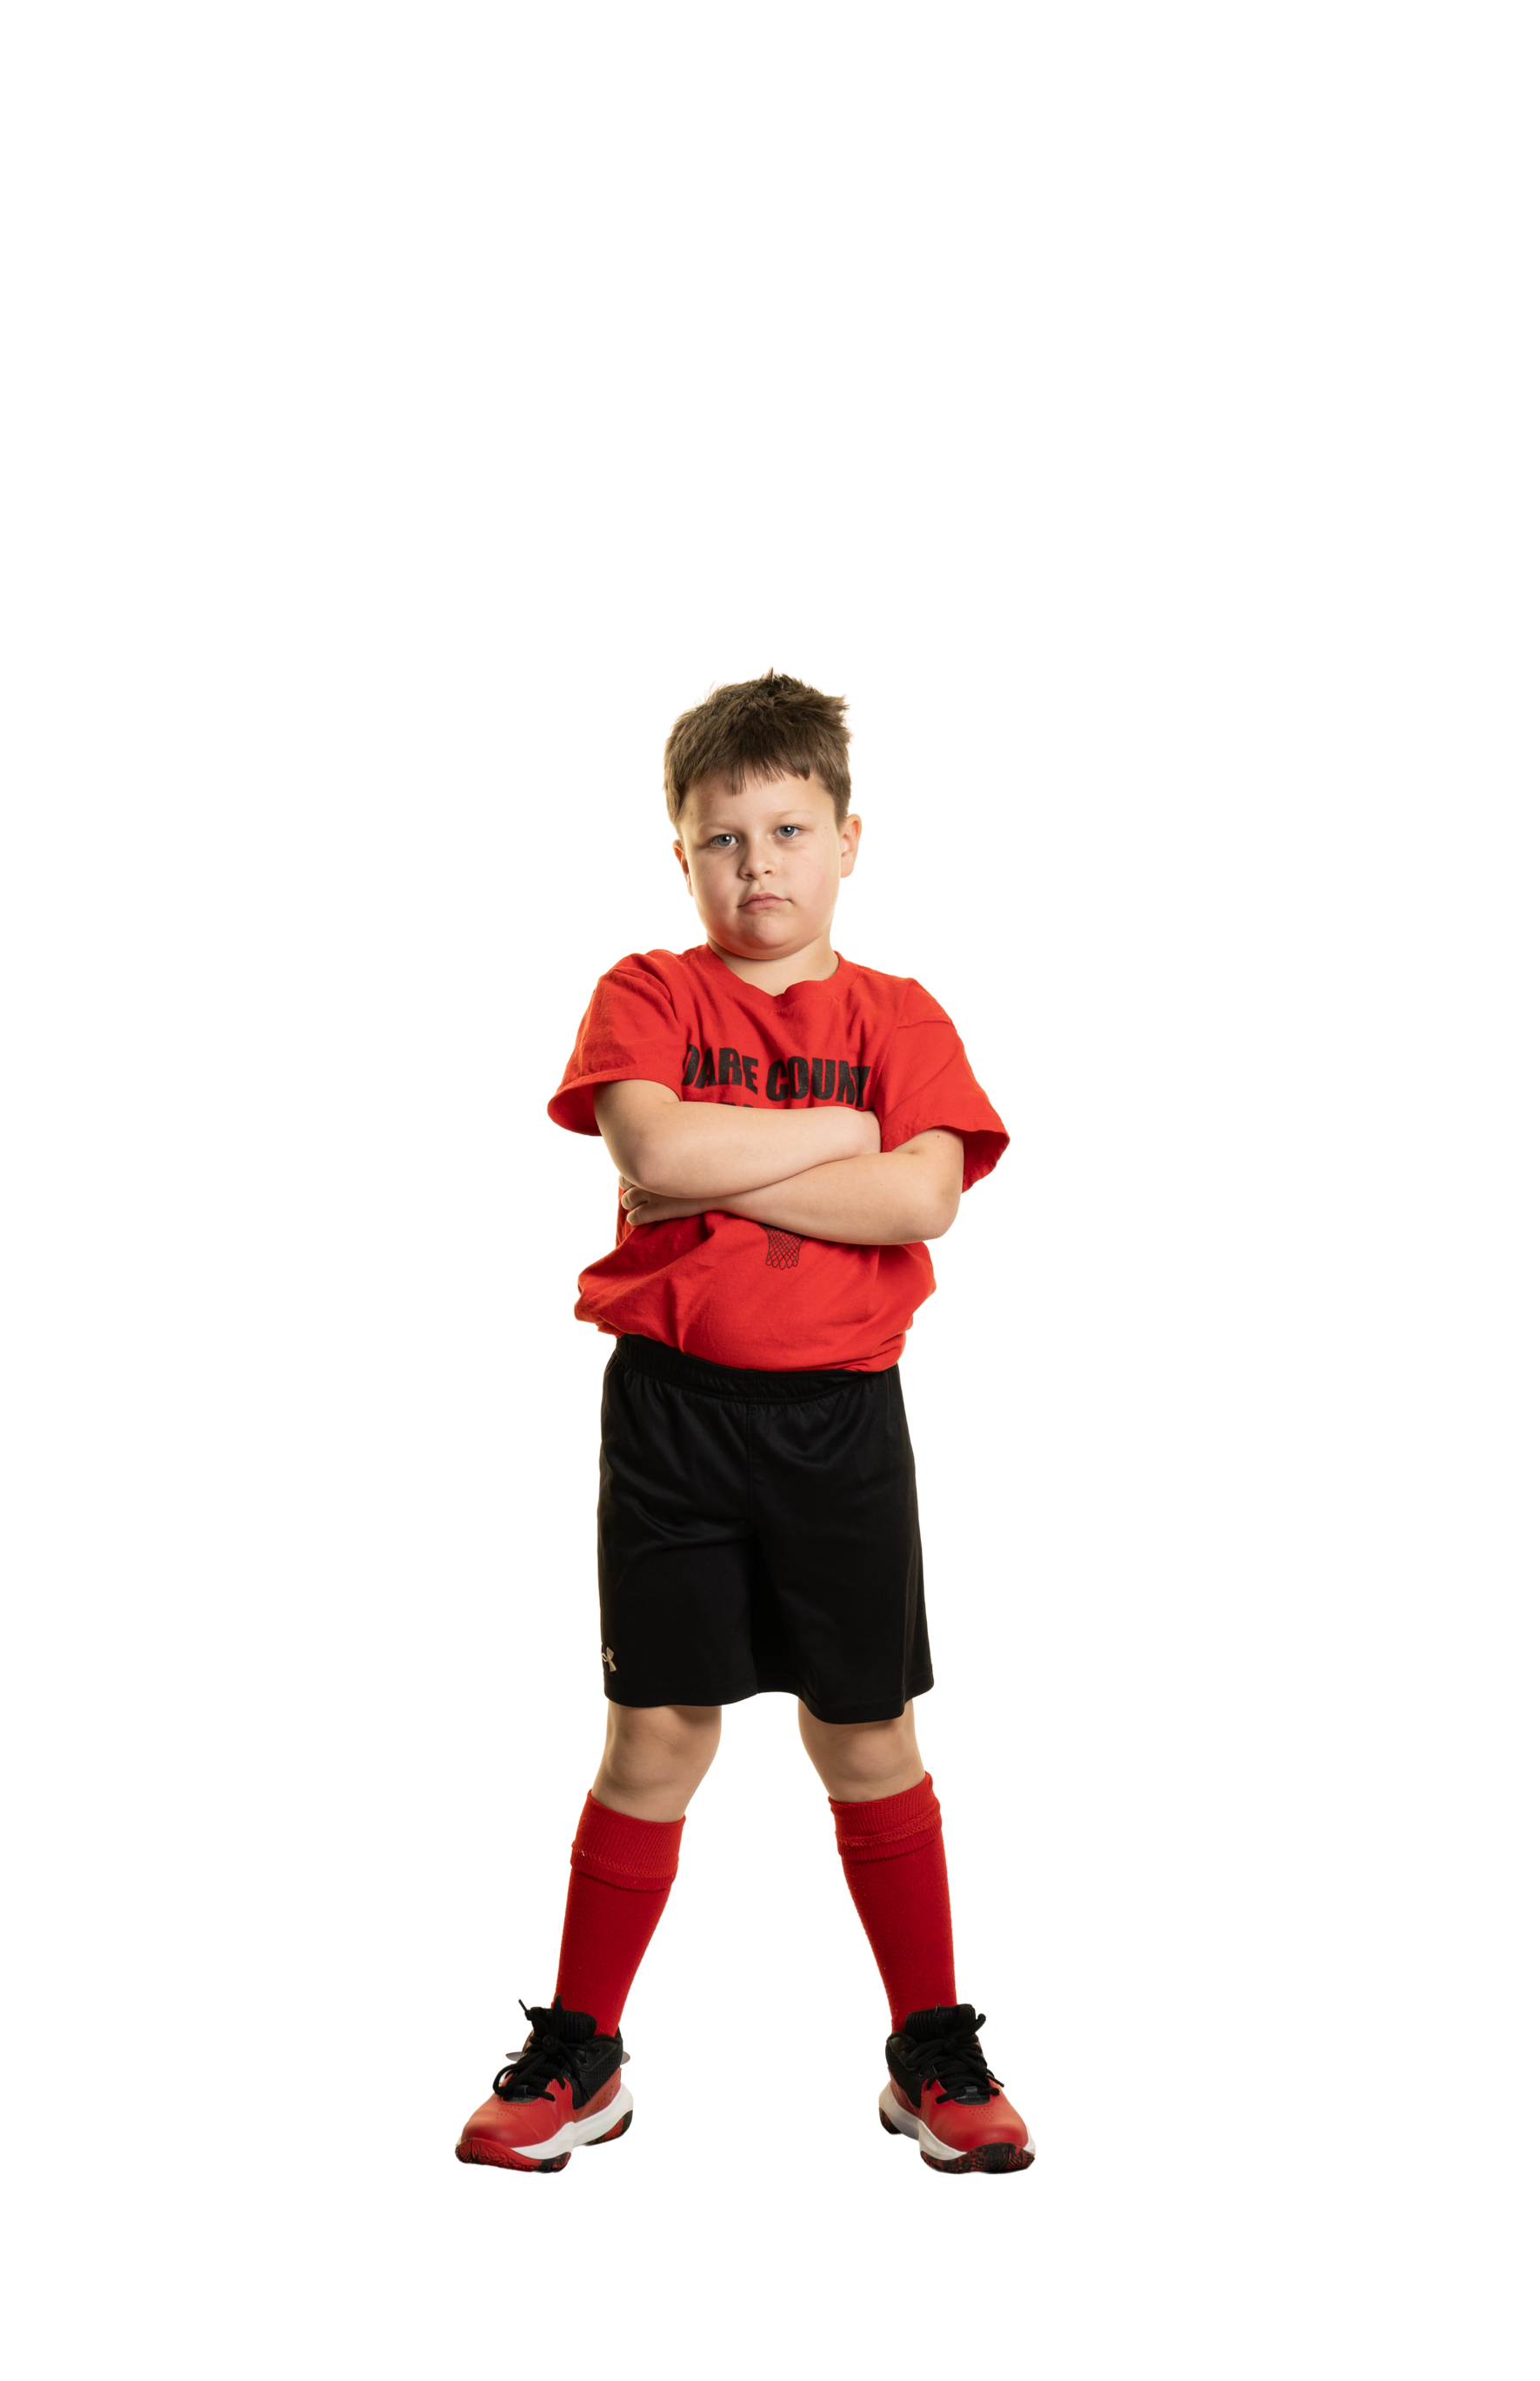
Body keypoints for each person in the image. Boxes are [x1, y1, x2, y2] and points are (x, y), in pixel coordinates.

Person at [455, 668, 1035, 2177]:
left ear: (848, 839)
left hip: (844, 1422)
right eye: (723, 838)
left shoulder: (900, 1012)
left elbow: (923, 1197)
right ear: (683, 853)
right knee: (655, 1731)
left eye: (786, 831)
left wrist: (748, 1165)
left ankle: (933, 2049)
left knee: (868, 1731)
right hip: (673, 1415)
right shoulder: (645, 992)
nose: (757, 864)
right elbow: (650, 1148)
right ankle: (580, 2052)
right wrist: (835, 1133)